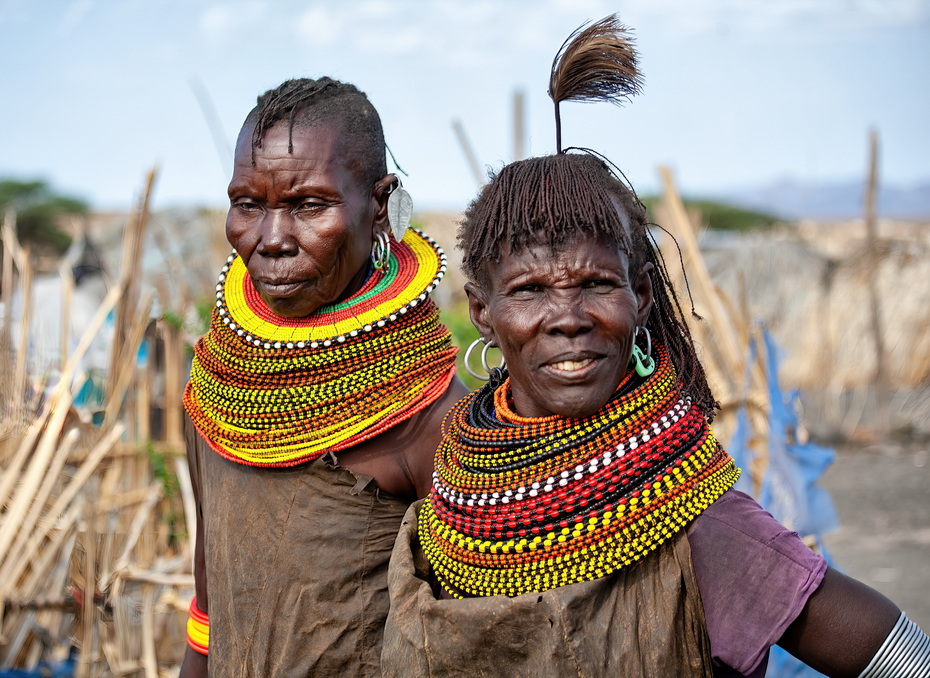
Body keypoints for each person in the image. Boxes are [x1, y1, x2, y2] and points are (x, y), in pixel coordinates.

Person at [381, 16, 930, 678]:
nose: (568, 318)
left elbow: (892, 652)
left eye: (596, 283)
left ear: (641, 296)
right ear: (483, 313)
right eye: (529, 291)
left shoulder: (697, 520)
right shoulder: (454, 474)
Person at [179, 77, 467, 677]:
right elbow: (211, 599)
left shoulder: (428, 414)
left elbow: (464, 639)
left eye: (310, 206)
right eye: (249, 204)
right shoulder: (215, 388)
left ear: (379, 204)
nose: (272, 240)